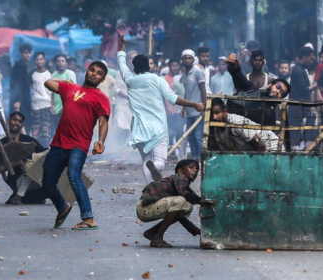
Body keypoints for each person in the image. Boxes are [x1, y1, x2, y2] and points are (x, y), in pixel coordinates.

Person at [115, 30, 204, 183]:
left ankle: (151, 187)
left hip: (139, 128)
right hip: (157, 128)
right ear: (149, 67)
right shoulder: (158, 79)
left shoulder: (130, 79)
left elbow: (121, 63)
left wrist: (123, 44)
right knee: (160, 163)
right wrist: (194, 104)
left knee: (146, 161)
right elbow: (173, 98)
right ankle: (154, 173)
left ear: (134, 69)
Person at [42, 60, 110, 231]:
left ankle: (88, 218)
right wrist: (66, 82)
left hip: (79, 145)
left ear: (103, 79)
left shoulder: (101, 97)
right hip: (58, 144)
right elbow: (48, 83)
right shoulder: (70, 89)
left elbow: (103, 122)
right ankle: (63, 207)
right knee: (47, 183)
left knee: (74, 176)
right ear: (86, 72)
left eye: (99, 73)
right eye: (92, 70)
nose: (94, 74)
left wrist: (101, 141)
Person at [137, 159, 202, 248]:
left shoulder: (178, 183)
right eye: (191, 167)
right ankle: (158, 238)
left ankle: (152, 233)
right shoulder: (181, 177)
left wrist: (196, 231)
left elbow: (179, 217)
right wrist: (202, 201)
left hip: (146, 209)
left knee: (186, 206)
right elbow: (184, 194)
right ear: (180, 171)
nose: (195, 171)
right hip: (145, 208)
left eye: (197, 169)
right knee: (181, 201)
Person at [224, 53, 290, 127]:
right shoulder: (253, 91)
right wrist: (234, 66)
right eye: (278, 86)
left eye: (282, 92)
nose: (278, 91)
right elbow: (240, 79)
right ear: (269, 85)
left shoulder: (271, 115)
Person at [0, 111, 47, 205]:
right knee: (30, 167)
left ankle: (32, 197)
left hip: (32, 180)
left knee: (49, 180)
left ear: (22, 125)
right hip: (16, 180)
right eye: (14, 120)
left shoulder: (28, 139)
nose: (16, 123)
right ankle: (18, 196)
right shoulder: (2, 142)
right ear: (8, 121)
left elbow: (43, 151)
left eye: (19, 121)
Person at [209, 98, 279, 151]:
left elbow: (260, 145)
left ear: (225, 112)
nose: (214, 117)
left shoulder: (236, 122)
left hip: (271, 146)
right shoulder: (216, 128)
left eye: (217, 113)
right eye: (211, 114)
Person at [179, 49, 206, 161]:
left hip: (198, 110)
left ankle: (201, 159)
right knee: (191, 137)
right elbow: (185, 92)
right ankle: (195, 158)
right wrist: (184, 108)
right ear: (182, 60)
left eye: (189, 58)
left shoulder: (197, 71)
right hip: (190, 111)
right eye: (185, 58)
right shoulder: (184, 75)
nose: (187, 60)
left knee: (198, 136)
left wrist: (204, 107)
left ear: (193, 59)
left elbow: (203, 89)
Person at [288, 46, 317, 150]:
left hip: (300, 108)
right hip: (298, 109)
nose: (312, 61)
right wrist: (315, 86)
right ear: (305, 57)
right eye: (311, 58)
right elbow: (303, 90)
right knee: (297, 133)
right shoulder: (298, 70)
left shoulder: (301, 69)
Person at [30, 51, 53, 147]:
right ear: (34, 61)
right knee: (36, 131)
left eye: (41, 59)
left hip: (47, 105)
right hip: (36, 106)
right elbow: (29, 90)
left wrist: (52, 105)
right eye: (37, 59)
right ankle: (36, 151)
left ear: (44, 60)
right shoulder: (32, 74)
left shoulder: (50, 74)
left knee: (46, 131)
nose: (39, 61)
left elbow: (53, 91)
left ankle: (45, 151)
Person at [50, 53, 77, 136]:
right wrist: (52, 106)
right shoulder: (53, 75)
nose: (60, 63)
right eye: (58, 61)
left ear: (66, 63)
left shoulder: (70, 74)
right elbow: (52, 92)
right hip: (57, 108)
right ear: (56, 63)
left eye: (62, 61)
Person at [10, 43, 33, 131]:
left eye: (29, 53)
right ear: (21, 54)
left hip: (26, 99)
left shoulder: (27, 66)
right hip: (20, 100)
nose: (27, 55)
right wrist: (17, 100)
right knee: (21, 124)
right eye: (25, 53)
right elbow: (16, 84)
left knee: (26, 124)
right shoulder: (19, 66)